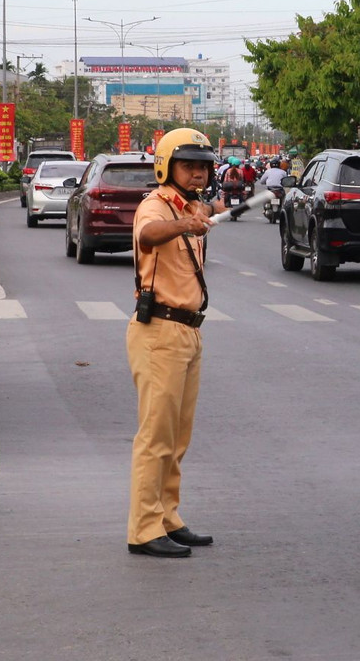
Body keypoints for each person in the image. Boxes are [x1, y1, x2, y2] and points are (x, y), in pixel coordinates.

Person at [125, 128, 225, 558]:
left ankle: (168, 516)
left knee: (178, 437)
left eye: (203, 166)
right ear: (166, 166)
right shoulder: (155, 206)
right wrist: (185, 222)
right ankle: (144, 529)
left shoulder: (191, 206)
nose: (199, 173)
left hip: (188, 330)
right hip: (160, 331)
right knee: (156, 436)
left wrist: (200, 213)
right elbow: (147, 236)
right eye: (189, 165)